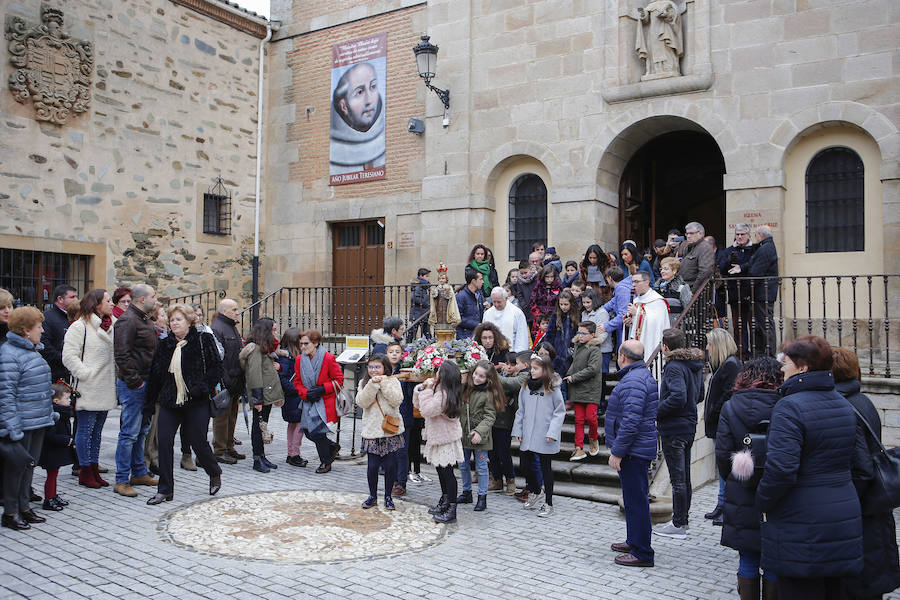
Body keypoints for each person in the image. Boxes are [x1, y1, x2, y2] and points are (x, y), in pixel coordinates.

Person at [756, 336, 862, 598]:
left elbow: (781, 470)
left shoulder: (789, 407)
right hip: (842, 513)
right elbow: (857, 461)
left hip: (801, 519)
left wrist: (762, 501)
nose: (782, 367)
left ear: (802, 368)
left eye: (787, 362)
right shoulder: (843, 403)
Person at [832, 347, 900, 600]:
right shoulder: (861, 399)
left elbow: (861, 468)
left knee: (861, 585)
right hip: (874, 511)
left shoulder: (845, 406)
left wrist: (845, 503)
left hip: (864, 512)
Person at [715, 358, 783, 599]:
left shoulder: (731, 406)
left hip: (742, 487)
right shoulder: (785, 404)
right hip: (777, 488)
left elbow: (723, 454)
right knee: (774, 559)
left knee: (748, 556)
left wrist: (735, 478)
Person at [144, 304, 223, 505]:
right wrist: (149, 403)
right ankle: (165, 490)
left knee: (198, 441)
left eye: (178, 319)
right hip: (170, 401)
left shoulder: (203, 340)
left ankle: (214, 472)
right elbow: (155, 376)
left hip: (196, 401)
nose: (174, 323)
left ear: (189, 322)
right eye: (172, 320)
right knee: (164, 441)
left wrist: (202, 387)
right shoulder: (165, 344)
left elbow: (216, 368)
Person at [0, 306, 55, 530]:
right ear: (25, 330)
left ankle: (24, 507)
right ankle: (10, 512)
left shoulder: (32, 350)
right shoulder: (9, 354)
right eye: (39, 326)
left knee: (29, 466)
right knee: (15, 470)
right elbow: (6, 395)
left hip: (37, 421)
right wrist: (12, 428)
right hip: (21, 424)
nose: (42, 330)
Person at [606, 339, 658, 568]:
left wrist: (617, 452)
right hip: (636, 449)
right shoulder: (638, 376)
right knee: (633, 499)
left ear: (622, 357)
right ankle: (634, 541)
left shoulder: (634, 381)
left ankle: (642, 552)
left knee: (636, 501)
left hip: (633, 451)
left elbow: (630, 422)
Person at [62, 288, 116, 489]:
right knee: (85, 430)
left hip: (105, 386)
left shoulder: (112, 325)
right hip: (88, 387)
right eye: (108, 300)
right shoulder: (80, 326)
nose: (112, 304)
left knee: (98, 431)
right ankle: (84, 470)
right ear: (96, 304)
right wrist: (86, 374)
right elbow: (69, 356)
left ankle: (94, 467)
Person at [653, 328, 704, 540]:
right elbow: (699, 395)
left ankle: (679, 523)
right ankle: (683, 520)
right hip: (688, 425)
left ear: (665, 347)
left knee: (678, 479)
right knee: (684, 477)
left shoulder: (674, 366)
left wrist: (657, 411)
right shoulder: (694, 365)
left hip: (675, 428)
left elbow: (678, 396)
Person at [112, 283, 159, 498]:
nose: (155, 300)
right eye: (153, 296)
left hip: (146, 383)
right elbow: (121, 354)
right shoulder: (128, 320)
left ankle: (139, 472)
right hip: (135, 385)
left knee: (142, 430)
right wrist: (135, 381)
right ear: (142, 299)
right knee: (129, 433)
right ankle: (121, 479)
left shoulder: (143, 319)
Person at [512, 354, 565, 518]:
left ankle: (548, 503)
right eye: (532, 368)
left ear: (545, 370)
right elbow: (521, 410)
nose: (532, 371)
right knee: (525, 465)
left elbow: (559, 411)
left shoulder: (552, 387)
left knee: (546, 468)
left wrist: (552, 432)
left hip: (545, 434)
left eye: (536, 368)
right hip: (528, 433)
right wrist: (518, 430)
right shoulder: (526, 386)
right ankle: (536, 491)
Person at [413, 361, 464, 524]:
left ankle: (451, 509)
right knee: (441, 471)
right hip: (438, 437)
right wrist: (422, 389)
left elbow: (427, 410)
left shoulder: (444, 394)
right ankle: (445, 502)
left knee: (447, 473)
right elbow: (419, 405)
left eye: (438, 371)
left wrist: (427, 389)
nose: (436, 373)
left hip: (445, 439)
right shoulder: (441, 390)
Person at [701, 328, 741, 525]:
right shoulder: (725, 364)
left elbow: (728, 395)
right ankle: (721, 504)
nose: (707, 348)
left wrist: (714, 411)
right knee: (722, 466)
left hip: (722, 424)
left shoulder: (731, 365)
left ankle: (726, 508)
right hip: (718, 424)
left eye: (710, 344)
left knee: (726, 467)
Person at [355, 353, 404, 510]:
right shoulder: (364, 382)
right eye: (371, 367)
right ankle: (372, 496)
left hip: (389, 430)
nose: (374, 370)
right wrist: (372, 385)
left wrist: (383, 384)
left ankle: (388, 497)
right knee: (372, 466)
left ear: (385, 367)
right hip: (372, 430)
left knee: (390, 466)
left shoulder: (393, 381)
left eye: (377, 367)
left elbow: (397, 400)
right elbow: (361, 402)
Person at [293, 329, 343, 474]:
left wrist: (322, 389)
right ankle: (332, 447)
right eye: (301, 344)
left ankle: (325, 462)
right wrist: (306, 393)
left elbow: (339, 380)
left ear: (315, 343)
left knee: (317, 433)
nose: (302, 347)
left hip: (324, 402)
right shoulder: (299, 359)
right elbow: (297, 382)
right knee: (308, 432)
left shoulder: (328, 358)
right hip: (308, 401)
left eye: (306, 344)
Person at [239, 318, 285, 474]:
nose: (276, 333)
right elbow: (254, 375)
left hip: (267, 393)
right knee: (257, 427)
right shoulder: (256, 348)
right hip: (261, 395)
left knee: (262, 425)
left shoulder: (264, 347)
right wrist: (257, 399)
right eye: (273, 329)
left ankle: (262, 456)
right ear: (265, 331)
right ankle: (257, 459)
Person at [456, 360, 499, 512]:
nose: (477, 378)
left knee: (481, 467)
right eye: (476, 374)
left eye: (482, 376)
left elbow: (489, 416)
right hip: (463, 435)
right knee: (463, 464)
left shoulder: (488, 394)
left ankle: (482, 497)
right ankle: (467, 492)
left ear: (488, 378)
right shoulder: (465, 389)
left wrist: (479, 431)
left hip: (480, 437)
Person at [330, 62, 385, 174]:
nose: (369, 100)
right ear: (344, 106)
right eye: (359, 92)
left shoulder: (384, 134)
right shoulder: (335, 155)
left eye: (373, 87)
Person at [211, 298, 246, 465]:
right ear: (224, 311)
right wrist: (223, 381)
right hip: (225, 381)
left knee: (232, 417)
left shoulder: (231, 327)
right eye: (234, 309)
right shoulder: (217, 328)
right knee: (221, 419)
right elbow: (217, 358)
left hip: (235, 380)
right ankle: (219, 450)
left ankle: (229, 447)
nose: (238, 312)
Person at [564, 321, 605, 461]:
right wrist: (568, 375)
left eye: (583, 333)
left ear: (592, 335)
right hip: (577, 388)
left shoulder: (595, 350)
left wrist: (574, 377)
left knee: (591, 418)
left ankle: (593, 438)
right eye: (579, 332)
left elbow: (592, 369)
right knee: (579, 420)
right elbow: (575, 365)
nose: (580, 335)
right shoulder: (577, 346)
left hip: (591, 389)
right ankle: (578, 448)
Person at [492, 351, 529, 495]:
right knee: (492, 452)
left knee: (503, 452)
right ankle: (497, 479)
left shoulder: (520, 377)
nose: (508, 367)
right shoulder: (503, 375)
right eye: (507, 364)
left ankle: (510, 480)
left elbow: (510, 385)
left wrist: (493, 374)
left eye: (512, 364)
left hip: (506, 419)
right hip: (494, 417)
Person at [37, 383, 76, 512]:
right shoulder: (54, 415)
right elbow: (50, 436)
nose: (70, 400)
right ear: (56, 401)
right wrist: (67, 440)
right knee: (52, 475)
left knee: (54, 474)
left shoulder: (63, 413)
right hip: (51, 452)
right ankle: (48, 499)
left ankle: (53, 495)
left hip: (57, 451)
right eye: (67, 398)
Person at [720, 224, 756, 360]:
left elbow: (756, 266)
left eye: (742, 234)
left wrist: (742, 267)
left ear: (748, 235)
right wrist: (729, 260)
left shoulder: (754, 249)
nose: (740, 237)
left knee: (753, 325)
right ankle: (741, 354)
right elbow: (722, 268)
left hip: (752, 292)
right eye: (737, 234)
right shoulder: (729, 250)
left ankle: (755, 354)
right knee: (738, 326)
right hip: (735, 293)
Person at [745, 226, 779, 358]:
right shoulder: (766, 247)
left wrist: (747, 290)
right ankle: (761, 353)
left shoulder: (765, 248)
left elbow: (756, 272)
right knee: (761, 324)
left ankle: (769, 354)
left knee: (765, 324)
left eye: (756, 235)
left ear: (761, 235)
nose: (755, 238)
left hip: (763, 292)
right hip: (763, 292)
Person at [277, 328, 308, 468]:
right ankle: (295, 454)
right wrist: (297, 390)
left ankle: (291, 454)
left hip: (293, 396)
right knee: (299, 424)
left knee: (293, 424)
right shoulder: (287, 357)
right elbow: (283, 378)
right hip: (294, 396)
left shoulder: (291, 355)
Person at [625, 271, 668, 362]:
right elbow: (637, 323)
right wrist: (630, 321)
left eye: (637, 282)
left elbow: (657, 324)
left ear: (647, 282)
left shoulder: (657, 301)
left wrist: (637, 313)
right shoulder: (636, 300)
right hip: (638, 342)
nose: (633, 285)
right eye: (632, 282)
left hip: (650, 341)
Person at [636, 0, 684, 79]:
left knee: (666, 49)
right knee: (653, 50)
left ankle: (668, 68)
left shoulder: (669, 3)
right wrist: (643, 14)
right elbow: (646, 20)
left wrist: (667, 15)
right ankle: (654, 70)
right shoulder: (650, 6)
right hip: (653, 33)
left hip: (665, 30)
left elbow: (675, 17)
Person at [40, 284, 78, 383]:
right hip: (56, 373)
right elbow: (45, 346)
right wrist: (65, 358)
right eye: (72, 297)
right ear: (60, 299)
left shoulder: (76, 317)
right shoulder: (47, 318)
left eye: (76, 296)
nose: (76, 300)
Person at [545, 289, 580, 385]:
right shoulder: (555, 316)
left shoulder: (577, 316)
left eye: (566, 304)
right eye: (561, 304)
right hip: (557, 354)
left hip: (572, 354)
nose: (563, 307)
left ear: (571, 304)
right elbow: (549, 335)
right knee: (559, 382)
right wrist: (549, 351)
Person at [482, 287, 530, 353]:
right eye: (494, 302)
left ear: (506, 298)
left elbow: (522, 337)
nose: (496, 304)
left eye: (499, 302)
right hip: (491, 353)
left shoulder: (517, 313)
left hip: (511, 353)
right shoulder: (487, 314)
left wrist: (519, 354)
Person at [597, 266, 632, 354]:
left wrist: (606, 326)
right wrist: (597, 312)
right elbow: (611, 304)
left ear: (610, 278)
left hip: (626, 329)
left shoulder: (621, 289)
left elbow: (623, 314)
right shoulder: (622, 287)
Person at [675, 221, 715, 293]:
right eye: (687, 233)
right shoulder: (689, 247)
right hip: (685, 287)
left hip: (696, 292)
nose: (688, 236)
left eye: (691, 233)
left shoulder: (705, 248)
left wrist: (694, 291)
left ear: (700, 234)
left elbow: (705, 272)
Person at [580, 288, 613, 374]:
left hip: (602, 351)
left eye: (588, 302)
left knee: (601, 375)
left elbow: (602, 336)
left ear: (594, 301)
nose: (585, 305)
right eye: (584, 302)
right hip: (588, 350)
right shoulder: (584, 313)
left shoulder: (602, 313)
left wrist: (586, 342)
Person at [653, 257, 692, 326]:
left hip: (674, 325)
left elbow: (688, 309)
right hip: (657, 324)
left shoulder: (682, 287)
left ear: (674, 271)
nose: (662, 271)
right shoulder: (656, 288)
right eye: (661, 269)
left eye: (666, 269)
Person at [529, 265, 561, 334]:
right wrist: (539, 316)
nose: (549, 279)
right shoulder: (538, 287)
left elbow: (561, 302)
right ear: (543, 276)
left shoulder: (558, 287)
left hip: (554, 318)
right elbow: (532, 303)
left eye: (551, 277)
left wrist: (556, 315)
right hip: (540, 319)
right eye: (547, 277)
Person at [428, 264, 460, 331]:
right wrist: (433, 292)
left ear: (446, 279)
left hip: (447, 306)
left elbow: (450, 296)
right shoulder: (437, 287)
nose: (441, 280)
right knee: (440, 318)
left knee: (446, 318)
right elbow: (435, 296)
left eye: (443, 278)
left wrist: (447, 292)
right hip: (439, 306)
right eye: (440, 279)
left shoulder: (449, 287)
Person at [513, 255, 541, 330]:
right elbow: (519, 294)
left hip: (538, 308)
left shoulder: (537, 278)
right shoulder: (520, 281)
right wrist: (524, 305)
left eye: (525, 272)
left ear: (530, 269)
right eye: (521, 273)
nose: (524, 275)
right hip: (527, 310)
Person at [456, 269, 484, 340]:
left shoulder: (479, 295)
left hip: (477, 335)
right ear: (473, 281)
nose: (483, 282)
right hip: (464, 337)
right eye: (480, 279)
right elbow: (458, 318)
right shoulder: (461, 296)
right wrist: (476, 324)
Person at [407, 267, 431, 342]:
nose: (428, 278)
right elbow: (414, 298)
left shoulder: (424, 286)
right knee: (413, 332)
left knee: (425, 332)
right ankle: (407, 345)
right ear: (421, 276)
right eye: (426, 276)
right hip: (417, 313)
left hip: (422, 312)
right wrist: (426, 301)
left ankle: (432, 344)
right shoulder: (418, 286)